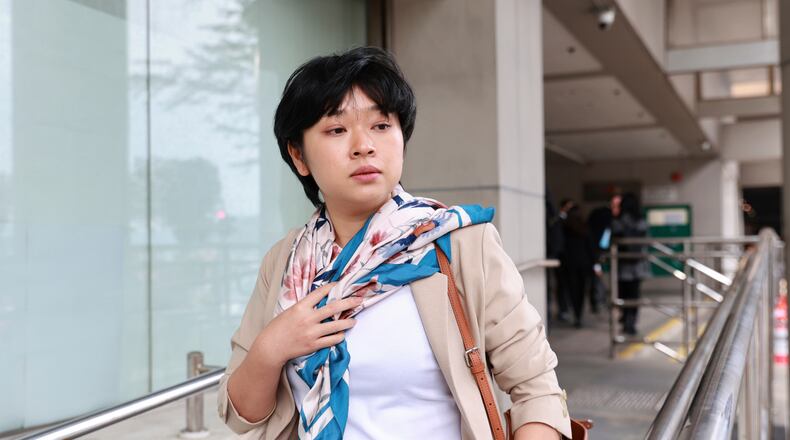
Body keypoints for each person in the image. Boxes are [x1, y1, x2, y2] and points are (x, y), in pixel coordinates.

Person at [216, 47, 571, 439]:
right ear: (299, 156)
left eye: (381, 125)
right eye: (336, 130)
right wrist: (273, 346)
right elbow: (241, 414)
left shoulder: (458, 243)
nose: (363, 145)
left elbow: (536, 390)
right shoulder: (285, 263)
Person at [611, 192, 649, 336]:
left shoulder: (619, 220)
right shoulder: (640, 220)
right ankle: (631, 322)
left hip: (623, 265)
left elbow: (613, 235)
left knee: (623, 293)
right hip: (638, 265)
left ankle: (624, 318)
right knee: (634, 294)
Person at [558, 201, 594, 328]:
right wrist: (595, 263)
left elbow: (560, 246)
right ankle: (579, 314)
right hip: (584, 264)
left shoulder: (564, 227)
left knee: (572, 290)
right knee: (581, 290)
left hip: (569, 264)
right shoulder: (585, 227)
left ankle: (575, 314)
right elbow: (590, 247)